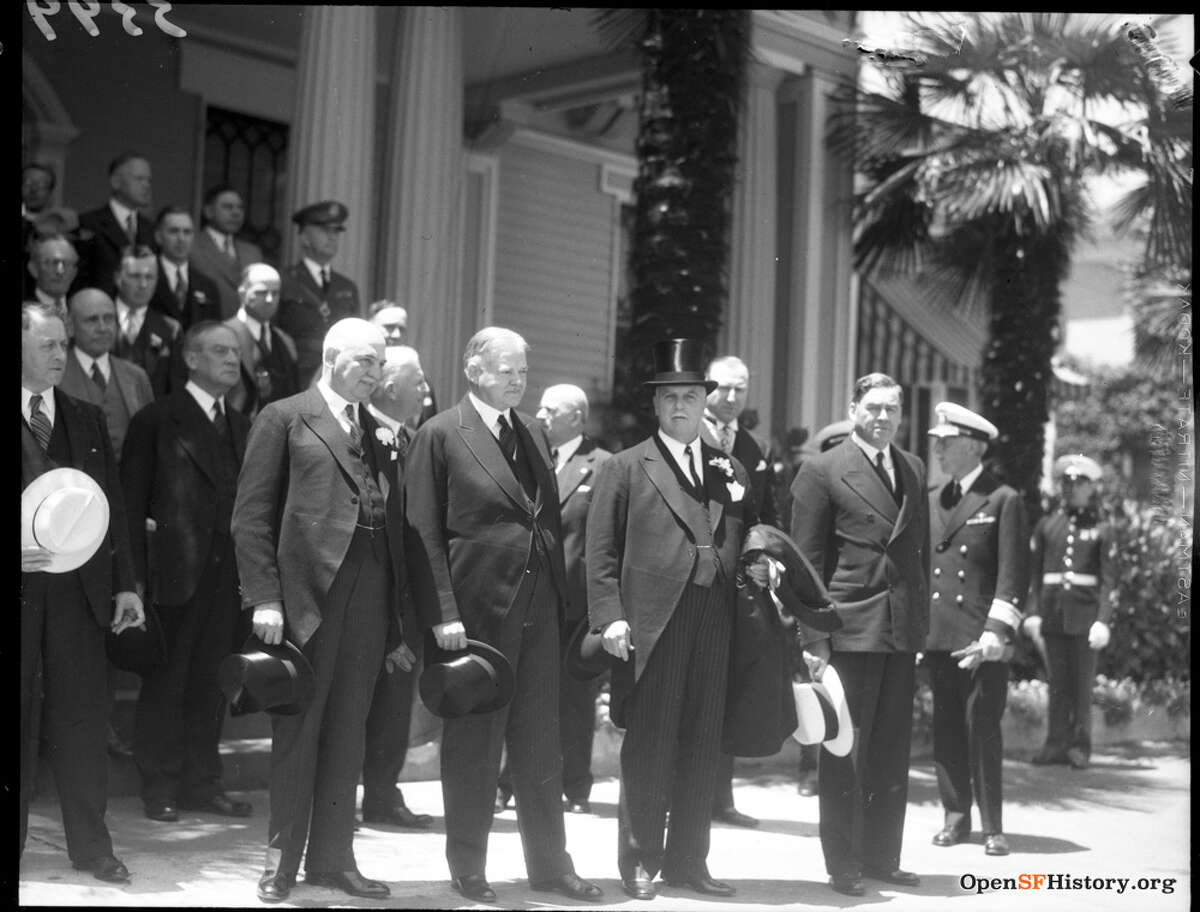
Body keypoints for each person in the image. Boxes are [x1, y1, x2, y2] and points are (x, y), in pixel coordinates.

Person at [404, 327, 603, 905]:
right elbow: (421, 530)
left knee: (542, 744)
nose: (519, 380)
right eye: (507, 370)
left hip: (540, 612)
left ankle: (550, 867)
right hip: (475, 615)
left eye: (523, 371)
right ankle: (468, 866)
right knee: (473, 743)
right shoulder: (440, 435)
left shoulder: (534, 433)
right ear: (474, 371)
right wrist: (442, 612)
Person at [233, 318, 405, 903]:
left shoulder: (380, 430)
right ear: (332, 358)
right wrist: (264, 598)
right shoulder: (284, 417)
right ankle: (281, 863)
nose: (376, 373)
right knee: (298, 731)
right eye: (365, 361)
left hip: (370, 599)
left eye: (381, 363)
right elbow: (250, 519)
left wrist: (397, 619)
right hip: (307, 600)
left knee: (348, 735)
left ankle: (334, 860)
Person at [586, 338, 760, 901]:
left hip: (715, 619)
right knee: (652, 743)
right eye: (670, 398)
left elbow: (749, 535)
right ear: (656, 406)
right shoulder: (626, 466)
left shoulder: (728, 469)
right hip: (654, 622)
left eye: (690, 396)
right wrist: (609, 617)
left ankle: (690, 861)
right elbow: (601, 551)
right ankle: (639, 860)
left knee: (702, 742)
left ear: (704, 402)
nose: (680, 406)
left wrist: (760, 568)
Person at [789, 372, 929, 897]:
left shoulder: (912, 468)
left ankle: (881, 856)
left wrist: (919, 626)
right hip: (848, 628)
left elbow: (920, 556)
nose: (884, 417)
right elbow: (806, 564)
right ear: (853, 409)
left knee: (893, 751)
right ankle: (843, 862)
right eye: (873, 407)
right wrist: (813, 639)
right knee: (845, 749)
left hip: (899, 629)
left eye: (892, 408)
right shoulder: (822, 471)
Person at [21, 302, 145, 883]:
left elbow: (114, 506)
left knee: (81, 722)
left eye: (62, 345)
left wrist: (127, 587)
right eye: (47, 345)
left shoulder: (86, 417)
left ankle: (93, 848)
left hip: (80, 594)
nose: (59, 355)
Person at [121, 322, 253, 824]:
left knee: (212, 681)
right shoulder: (157, 420)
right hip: (173, 573)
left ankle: (202, 782)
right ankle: (159, 785)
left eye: (235, 352)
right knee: (167, 680)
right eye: (219, 351)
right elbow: (131, 505)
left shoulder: (243, 426)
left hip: (228, 576)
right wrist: (132, 580)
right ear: (191, 359)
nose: (231, 359)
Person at [497, 384, 612, 815]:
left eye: (551, 409)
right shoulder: (526, 458)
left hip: (576, 605)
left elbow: (602, 540)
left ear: (577, 419)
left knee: (576, 698)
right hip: (531, 597)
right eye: (540, 407)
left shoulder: (602, 466)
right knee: (521, 692)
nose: (540, 415)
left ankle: (576, 787)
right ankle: (506, 783)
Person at [924, 402, 1029, 858]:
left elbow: (1013, 574)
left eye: (945, 443)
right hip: (940, 635)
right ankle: (954, 816)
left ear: (971, 446)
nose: (938, 451)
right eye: (938, 443)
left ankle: (992, 825)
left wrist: (996, 633)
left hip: (981, 638)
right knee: (946, 727)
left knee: (981, 727)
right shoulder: (933, 498)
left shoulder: (1004, 498)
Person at [700, 354, 775, 830]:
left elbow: (765, 514)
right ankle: (676, 791)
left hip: (738, 587)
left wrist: (764, 555)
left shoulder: (753, 446)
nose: (731, 398)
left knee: (726, 687)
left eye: (740, 390)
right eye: (723, 389)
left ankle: (719, 797)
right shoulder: (689, 437)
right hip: (694, 580)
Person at [359, 344, 432, 830]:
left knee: (394, 702)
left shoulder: (419, 441)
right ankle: (338, 798)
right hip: (364, 590)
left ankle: (383, 793)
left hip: (407, 597)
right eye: (419, 380)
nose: (427, 388)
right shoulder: (356, 431)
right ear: (389, 386)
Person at [1023, 454, 1117, 771]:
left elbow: (1109, 581)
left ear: (1092, 488)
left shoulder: (1102, 529)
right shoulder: (1048, 525)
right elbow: (1034, 576)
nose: (1071, 488)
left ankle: (1080, 747)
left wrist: (1103, 620)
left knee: (1080, 686)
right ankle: (1055, 744)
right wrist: (1033, 612)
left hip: (1084, 620)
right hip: (1052, 617)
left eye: (1079, 483)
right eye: (1066, 482)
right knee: (1057, 682)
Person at [59, 288, 154, 462]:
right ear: (70, 327)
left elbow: (151, 440)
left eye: (109, 318)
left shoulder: (136, 377)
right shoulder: (56, 375)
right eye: (92, 320)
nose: (102, 328)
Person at [277, 201, 361, 388]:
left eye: (336, 232)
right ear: (305, 237)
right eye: (325, 231)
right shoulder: (284, 281)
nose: (332, 238)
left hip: (338, 380)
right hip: (295, 378)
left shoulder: (347, 287)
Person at [223, 263, 300, 419]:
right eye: (261, 292)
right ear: (242, 293)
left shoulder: (285, 342)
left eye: (275, 293)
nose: (270, 299)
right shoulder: (223, 335)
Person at [78, 152, 156, 296]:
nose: (146, 185)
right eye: (139, 179)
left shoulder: (150, 229)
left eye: (149, 180)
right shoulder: (89, 223)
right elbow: (80, 278)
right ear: (116, 182)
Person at [111, 245, 182, 399]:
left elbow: (175, 391)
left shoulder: (171, 329)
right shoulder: (97, 318)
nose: (143, 284)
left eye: (149, 277)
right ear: (118, 278)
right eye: (135, 276)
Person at [190, 185, 266, 320]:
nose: (236, 213)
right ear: (208, 211)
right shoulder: (192, 247)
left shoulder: (253, 252)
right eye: (227, 207)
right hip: (208, 329)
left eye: (240, 208)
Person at [148, 206, 222, 328]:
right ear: (159, 237)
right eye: (173, 231)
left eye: (187, 232)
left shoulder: (208, 286)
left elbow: (214, 332)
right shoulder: (144, 277)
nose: (181, 239)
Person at [369, 300, 439, 426]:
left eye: (401, 329)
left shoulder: (423, 384)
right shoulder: (358, 377)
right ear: (370, 327)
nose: (396, 335)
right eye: (389, 327)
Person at [27, 234, 81, 311]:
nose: (60, 271)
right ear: (34, 269)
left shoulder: (80, 310)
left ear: (74, 273)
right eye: (53, 263)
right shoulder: (26, 313)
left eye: (67, 264)